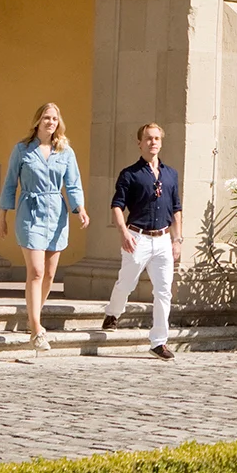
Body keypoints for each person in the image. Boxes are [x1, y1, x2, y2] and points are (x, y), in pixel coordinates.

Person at [0, 102, 89, 352]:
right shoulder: (22, 150)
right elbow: (9, 184)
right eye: (47, 118)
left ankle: (32, 315)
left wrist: (79, 209)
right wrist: (1, 215)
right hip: (30, 211)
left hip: (56, 215)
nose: (51, 122)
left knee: (49, 274)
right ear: (38, 121)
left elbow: (73, 184)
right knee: (36, 271)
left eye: (55, 119)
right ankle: (37, 328)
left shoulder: (65, 151)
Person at [105, 122, 182, 361]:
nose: (153, 142)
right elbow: (117, 206)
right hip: (137, 237)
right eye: (148, 138)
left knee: (163, 291)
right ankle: (113, 313)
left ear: (161, 142)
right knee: (126, 283)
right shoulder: (130, 174)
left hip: (162, 240)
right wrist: (123, 232)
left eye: (157, 138)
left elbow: (176, 208)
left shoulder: (170, 174)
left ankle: (159, 342)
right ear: (140, 143)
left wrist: (178, 239)